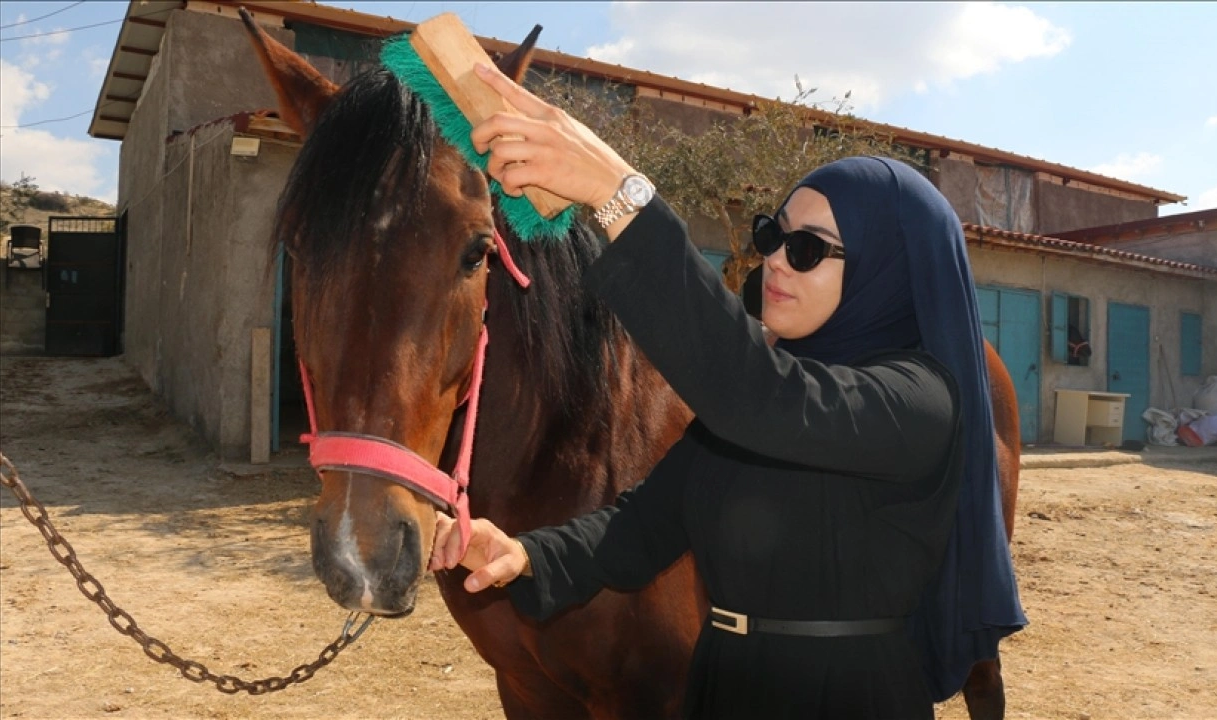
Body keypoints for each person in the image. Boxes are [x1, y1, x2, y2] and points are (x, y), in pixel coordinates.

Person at [430, 60, 1025, 718]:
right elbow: (643, 526)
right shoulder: (759, 402)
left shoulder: (917, 401)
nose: (773, 257)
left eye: (807, 249)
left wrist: (618, 195)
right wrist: (524, 554)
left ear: (887, 272)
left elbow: (763, 400)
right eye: (772, 234)